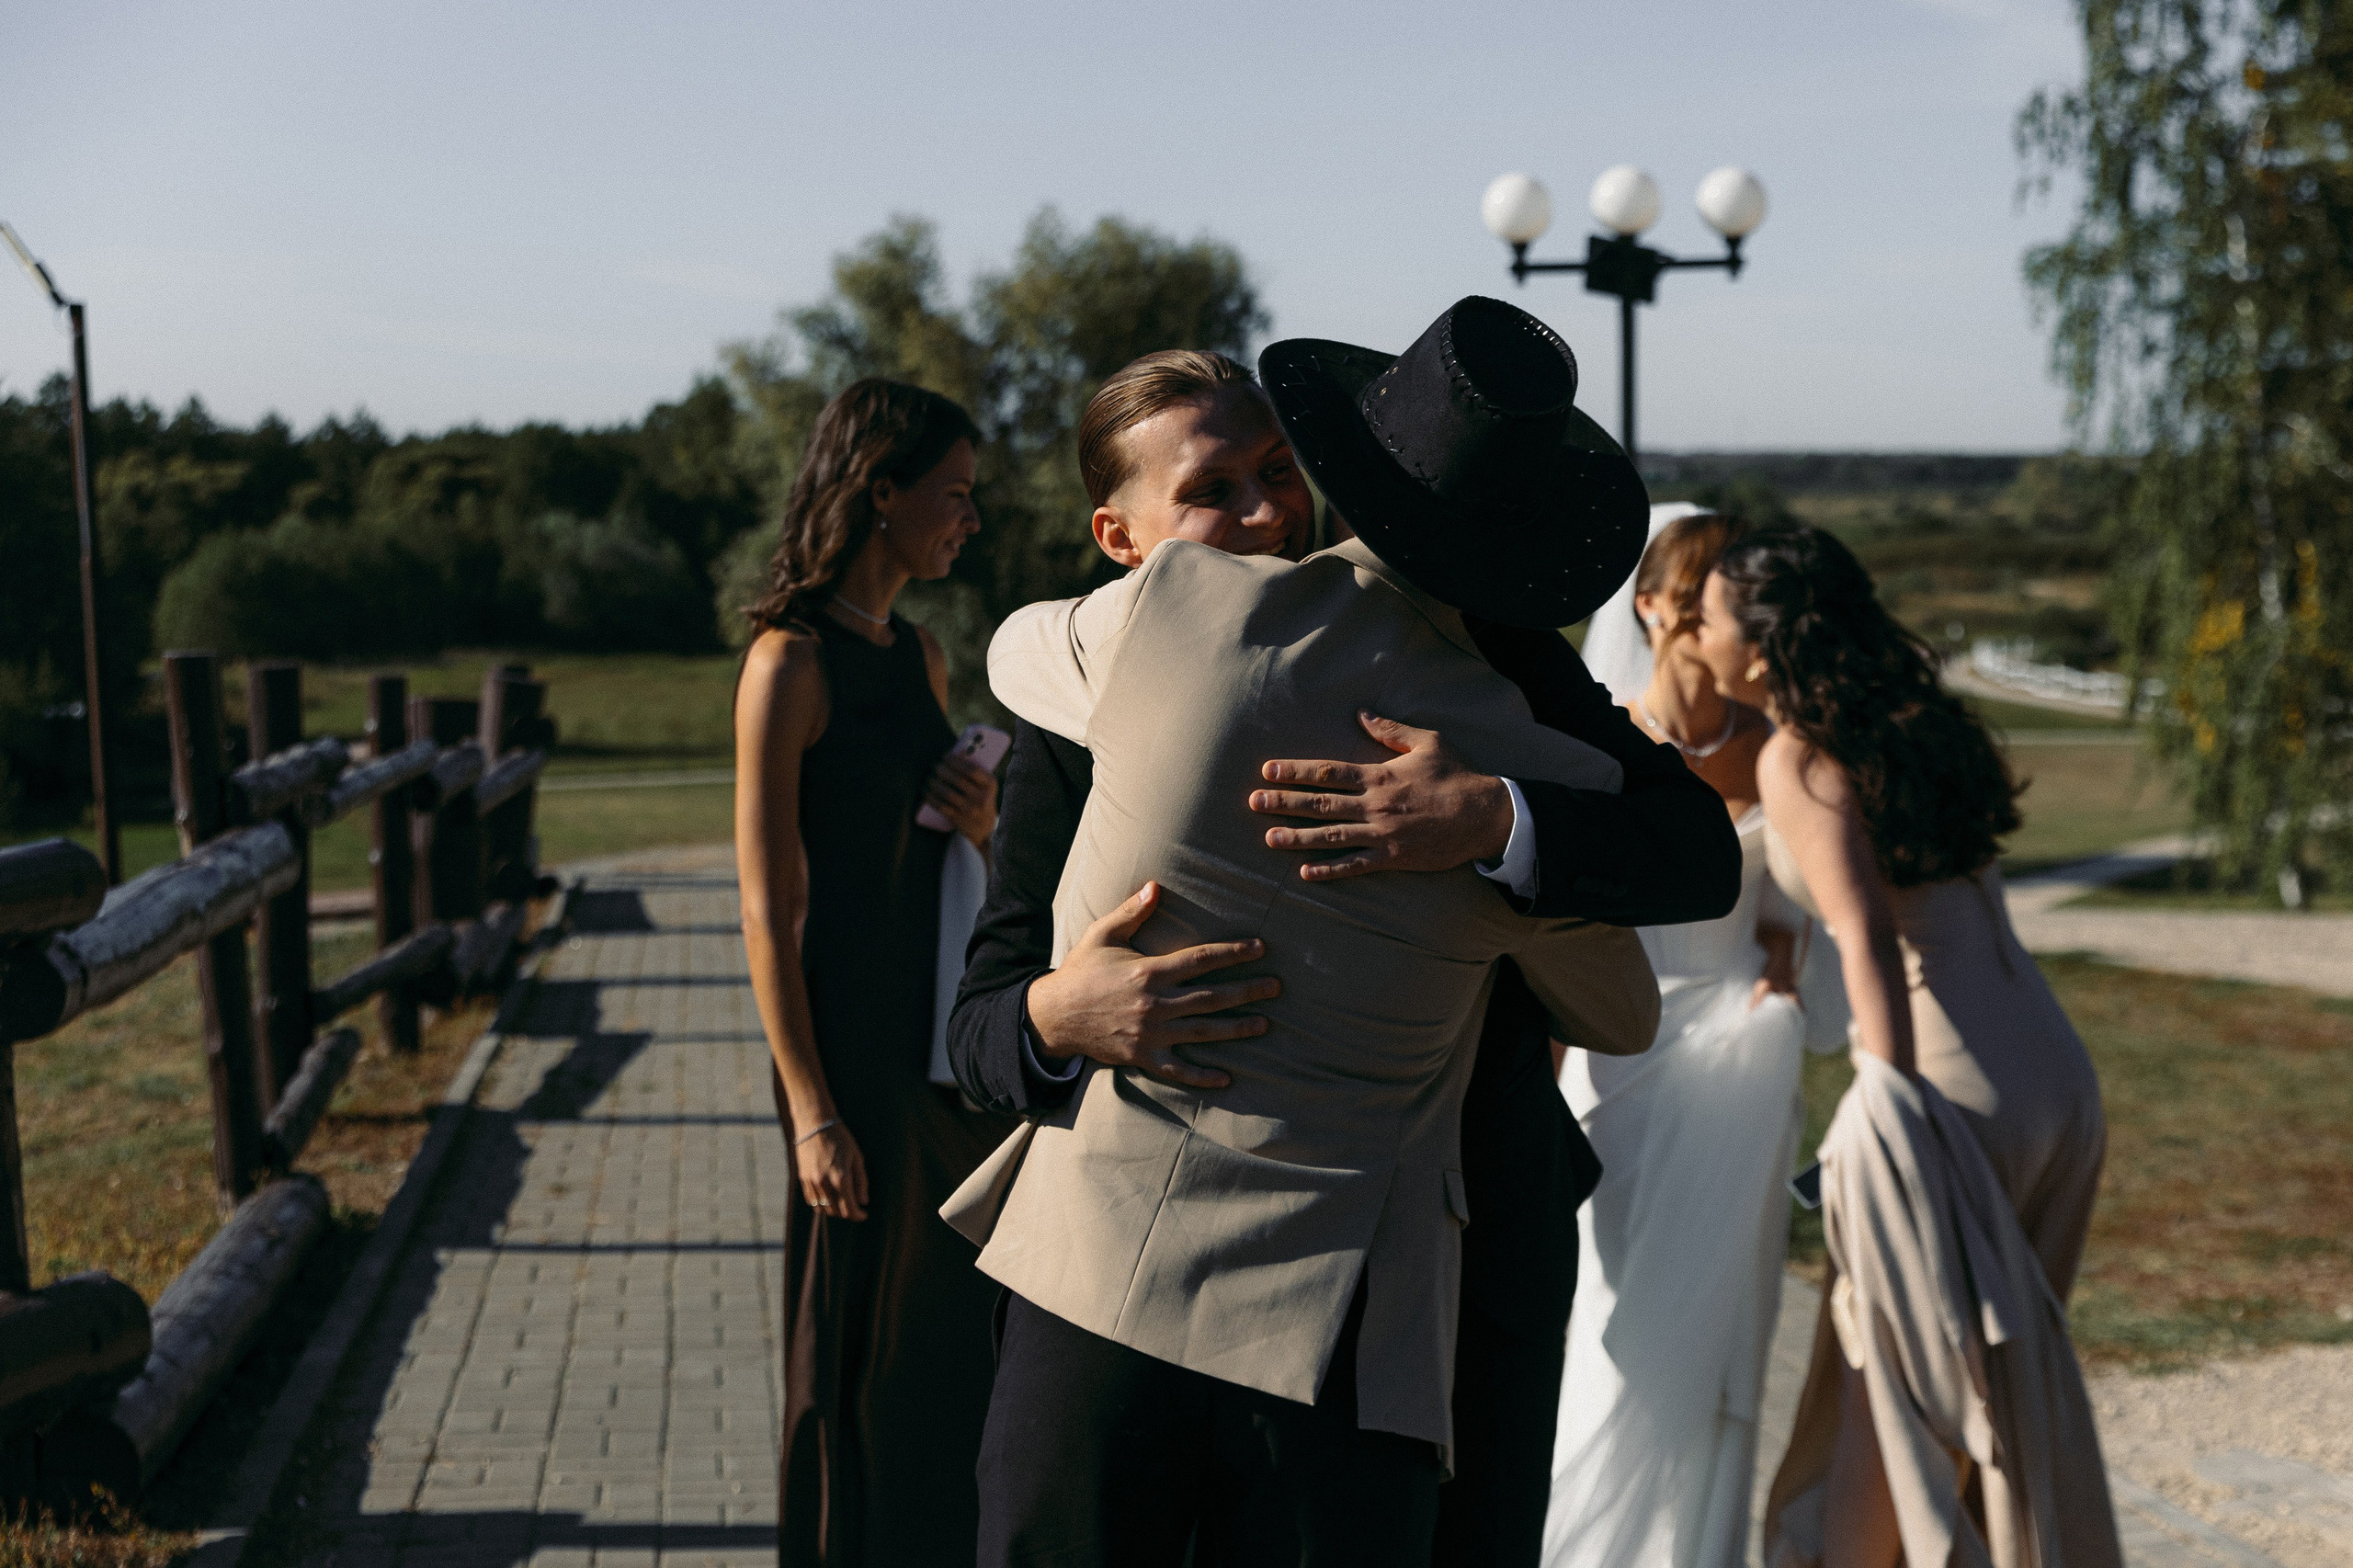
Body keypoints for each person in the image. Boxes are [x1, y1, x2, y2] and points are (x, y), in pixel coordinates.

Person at [946, 344, 1743, 1567]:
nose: (1269, 511)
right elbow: (983, 1023)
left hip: (1441, 1275)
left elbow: (1691, 848)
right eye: (1218, 491)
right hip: (1117, 1266)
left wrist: (1493, 821)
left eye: (1281, 470)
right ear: (1120, 535)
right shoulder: (1095, 687)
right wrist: (1063, 1010)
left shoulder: (1509, 686)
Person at [1691, 528, 2121, 1568]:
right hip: (2057, 1081)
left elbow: (1868, 933)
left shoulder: (1799, 753)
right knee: (1987, 1397)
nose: (1696, 635)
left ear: (1755, 649)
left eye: (1706, 616)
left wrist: (1884, 1114)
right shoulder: (1912, 722)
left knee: (1900, 1401)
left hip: (1945, 1094)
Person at [731, 379, 1018, 1565]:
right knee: (844, 1348)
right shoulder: (787, 662)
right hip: (844, 1051)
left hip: (933, 1043)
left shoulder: (924, 655)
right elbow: (765, 901)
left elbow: (957, 858)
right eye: (952, 495)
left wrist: (983, 812)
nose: (970, 518)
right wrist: (810, 1112)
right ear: (879, 491)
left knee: (937, 1345)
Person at [1543, 508, 1822, 1568]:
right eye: (1709, 593)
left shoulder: (1774, 747)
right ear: (1653, 608)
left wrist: (1785, 954)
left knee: (1725, 1342)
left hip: (1743, 1073)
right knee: (1616, 1331)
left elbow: (1799, 902)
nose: (1730, 617)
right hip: (1621, 1060)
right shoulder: (1597, 745)